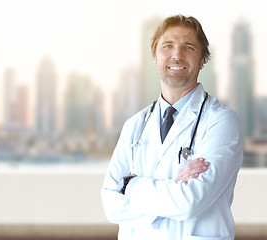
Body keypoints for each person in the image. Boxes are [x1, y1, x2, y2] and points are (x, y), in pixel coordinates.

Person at [101, 14, 243, 240]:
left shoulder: (222, 121)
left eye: (188, 47)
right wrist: (174, 189)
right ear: (155, 57)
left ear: (202, 60)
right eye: (168, 46)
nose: (177, 55)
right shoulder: (134, 125)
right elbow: (111, 204)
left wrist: (131, 185)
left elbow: (190, 203)